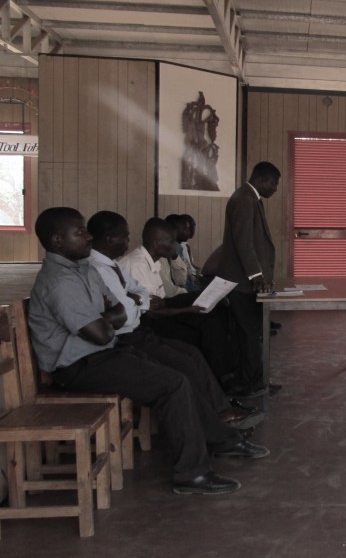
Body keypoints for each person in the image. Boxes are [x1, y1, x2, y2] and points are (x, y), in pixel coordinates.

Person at [27, 207, 267, 496]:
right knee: (172, 384)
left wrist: (112, 314)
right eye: (80, 232)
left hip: (102, 353)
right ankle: (191, 474)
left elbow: (114, 310)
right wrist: (113, 315)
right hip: (79, 366)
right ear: (56, 241)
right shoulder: (60, 282)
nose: (88, 236)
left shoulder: (82, 269)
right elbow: (103, 331)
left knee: (179, 371)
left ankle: (221, 439)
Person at [85, 210, 261, 427]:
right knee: (195, 344)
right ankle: (220, 398)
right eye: (125, 237)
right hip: (136, 330)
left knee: (211, 323)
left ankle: (223, 393)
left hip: (143, 322)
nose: (128, 242)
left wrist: (137, 300)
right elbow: (142, 308)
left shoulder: (120, 265)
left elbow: (141, 294)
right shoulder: (120, 265)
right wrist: (176, 307)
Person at [119, 217, 242, 390]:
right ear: (156, 243)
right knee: (204, 327)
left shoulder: (153, 260)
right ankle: (223, 378)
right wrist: (189, 309)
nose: (175, 245)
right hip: (146, 323)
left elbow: (161, 301)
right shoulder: (136, 265)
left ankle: (227, 373)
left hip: (162, 309)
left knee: (214, 312)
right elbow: (151, 312)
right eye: (171, 241)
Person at [217, 161, 281, 393]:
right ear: (262, 179)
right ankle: (251, 382)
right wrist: (257, 276)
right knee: (250, 334)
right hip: (242, 281)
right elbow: (245, 243)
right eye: (274, 183)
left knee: (252, 333)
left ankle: (254, 378)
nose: (275, 188)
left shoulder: (250, 198)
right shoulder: (244, 199)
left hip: (246, 280)